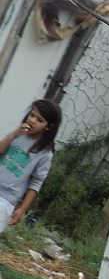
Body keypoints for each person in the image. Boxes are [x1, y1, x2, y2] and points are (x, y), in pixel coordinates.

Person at [0, 99, 61, 236]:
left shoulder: (45, 153)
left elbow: (36, 182)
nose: (32, 120)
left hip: (6, 200)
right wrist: (14, 135)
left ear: (48, 127)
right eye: (32, 115)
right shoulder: (17, 134)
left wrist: (22, 209)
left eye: (39, 120)